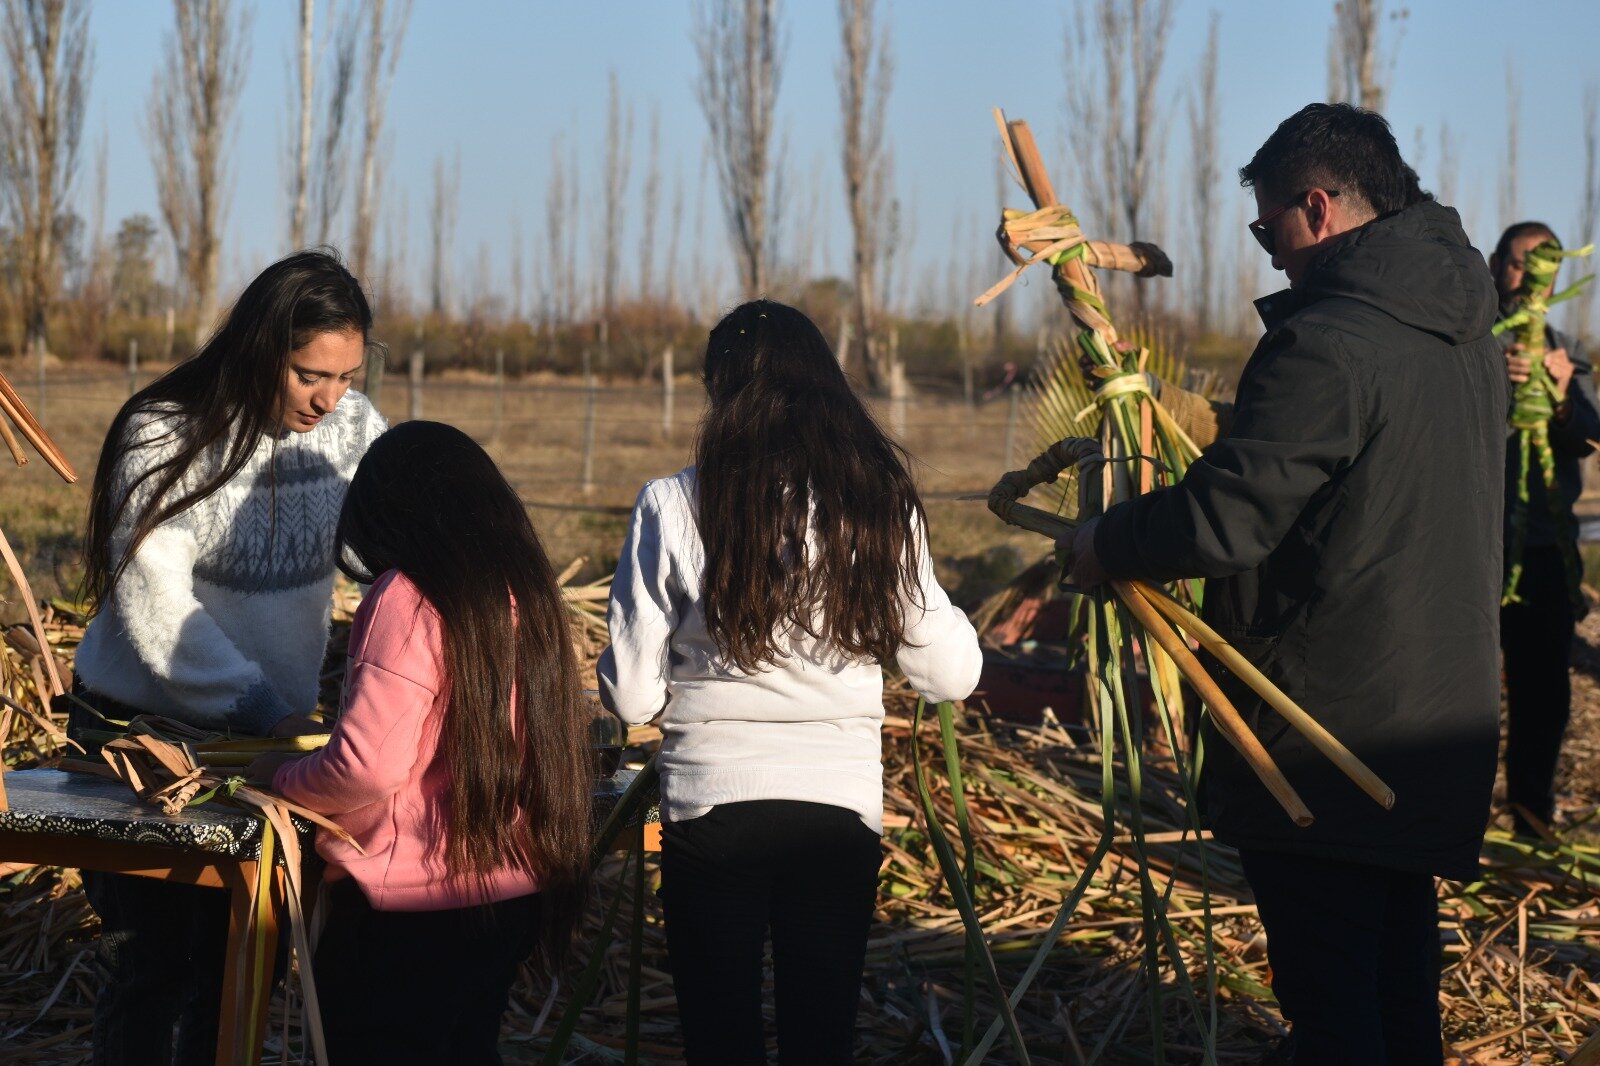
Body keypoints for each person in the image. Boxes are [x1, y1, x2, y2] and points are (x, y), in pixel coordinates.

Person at [1062, 103, 1504, 1063]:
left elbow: (1228, 519)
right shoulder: (1463, 332)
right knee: (1395, 991)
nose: (1269, 255)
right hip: (1435, 718)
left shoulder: (1331, 338)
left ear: (1319, 207)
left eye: (1270, 230)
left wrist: (1110, 539)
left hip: (1323, 733)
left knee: (1334, 1002)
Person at [597, 300, 982, 1065]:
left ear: (720, 393)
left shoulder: (672, 504)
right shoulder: (877, 507)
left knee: (719, 1032)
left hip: (711, 806)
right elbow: (951, 672)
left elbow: (632, 697)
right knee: (821, 1031)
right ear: (826, 387)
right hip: (837, 809)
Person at [72, 249, 387, 1065]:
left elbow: (382, 549)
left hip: (268, 740)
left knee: (241, 958)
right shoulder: (167, 432)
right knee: (153, 960)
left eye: (348, 375)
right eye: (310, 374)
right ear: (260, 348)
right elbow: (154, 599)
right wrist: (264, 709)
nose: (331, 397)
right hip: (142, 737)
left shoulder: (353, 430)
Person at [248, 421, 592, 1065]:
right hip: (508, 892)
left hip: (407, 904)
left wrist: (284, 777)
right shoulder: (525, 595)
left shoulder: (407, 596)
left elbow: (368, 765)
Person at [1488, 221, 1600, 837]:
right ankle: (1450, 825)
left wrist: (1557, 393)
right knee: (1462, 697)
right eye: (1518, 261)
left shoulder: (1567, 350)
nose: (1529, 274)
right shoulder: (1470, 343)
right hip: (1475, 548)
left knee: (1543, 694)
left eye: (1544, 263)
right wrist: (1490, 382)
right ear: (1497, 265)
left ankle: (1532, 815)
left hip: (1544, 548)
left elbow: (1587, 435)